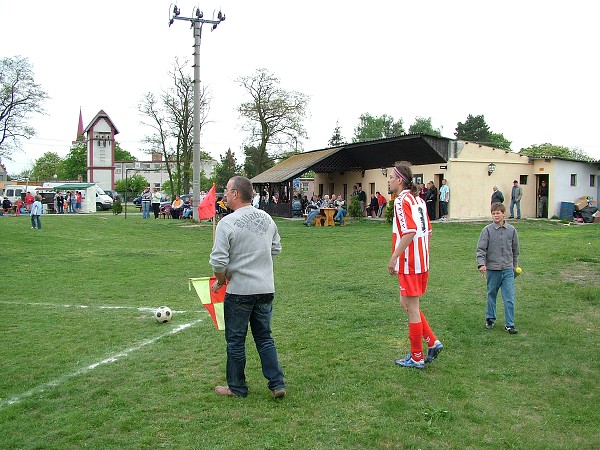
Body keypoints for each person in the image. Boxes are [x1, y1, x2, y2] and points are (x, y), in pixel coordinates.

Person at [209, 175, 286, 399]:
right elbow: (276, 248)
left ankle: (237, 387)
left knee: (235, 341)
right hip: (265, 289)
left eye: (226, 190)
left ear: (235, 194)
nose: (224, 194)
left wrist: (222, 279)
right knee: (264, 338)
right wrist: (258, 263)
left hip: (240, 291)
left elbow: (218, 262)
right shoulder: (267, 219)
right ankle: (276, 383)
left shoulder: (227, 223)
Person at [388, 162, 443, 369]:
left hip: (410, 262)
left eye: (391, 177)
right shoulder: (418, 200)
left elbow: (410, 231)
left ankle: (417, 356)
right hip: (421, 261)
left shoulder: (402, 201)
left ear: (400, 180)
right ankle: (431, 341)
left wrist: (394, 257)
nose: (389, 180)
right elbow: (428, 231)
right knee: (407, 304)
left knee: (411, 308)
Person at [476, 202, 520, 334]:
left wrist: (515, 265)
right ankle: (490, 319)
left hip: (508, 269)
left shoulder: (511, 230)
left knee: (509, 297)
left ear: (503, 214)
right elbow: (481, 249)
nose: (495, 215)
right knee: (492, 294)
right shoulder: (487, 230)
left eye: (498, 213)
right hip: (493, 269)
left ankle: (510, 324)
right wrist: (481, 264)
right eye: (493, 213)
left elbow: (515, 250)